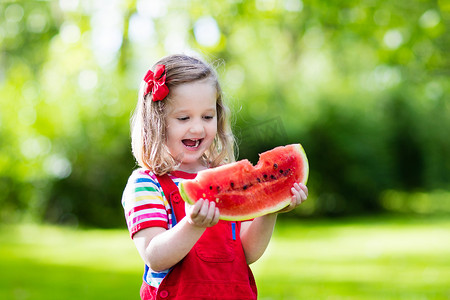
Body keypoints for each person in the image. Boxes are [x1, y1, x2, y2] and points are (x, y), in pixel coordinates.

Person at [121, 54, 308, 300]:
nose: (198, 128)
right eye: (184, 118)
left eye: (207, 117)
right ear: (157, 122)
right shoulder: (147, 183)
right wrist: (192, 224)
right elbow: (155, 257)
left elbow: (247, 252)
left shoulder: (222, 176)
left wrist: (270, 206)